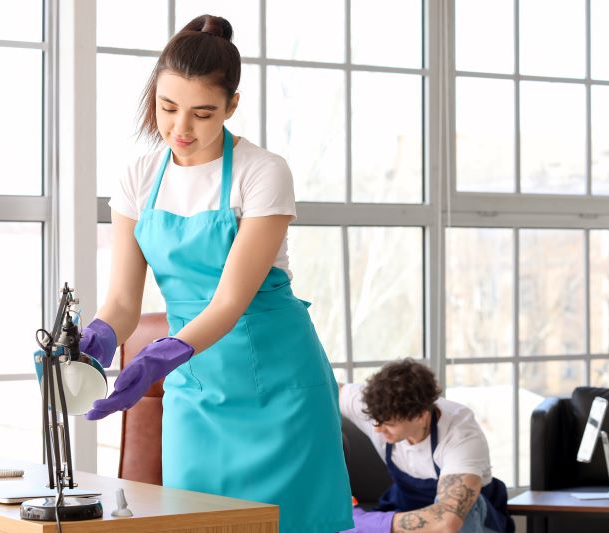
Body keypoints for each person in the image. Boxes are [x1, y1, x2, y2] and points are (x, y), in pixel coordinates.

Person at [76, 15, 353, 533]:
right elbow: (122, 301)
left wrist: (163, 354)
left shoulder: (262, 172)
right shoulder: (139, 176)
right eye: (167, 108)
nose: (181, 129)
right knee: (198, 522)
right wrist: (94, 340)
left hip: (279, 383)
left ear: (231, 106)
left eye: (202, 114)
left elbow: (229, 302)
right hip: (194, 388)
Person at [340, 359, 514, 533]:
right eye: (375, 420)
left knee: (462, 516)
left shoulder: (461, 436)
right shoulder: (373, 404)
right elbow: (321, 389)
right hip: (407, 505)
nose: (377, 429)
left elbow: (447, 523)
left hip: (470, 524)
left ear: (421, 416)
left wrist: (371, 523)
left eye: (389, 424)